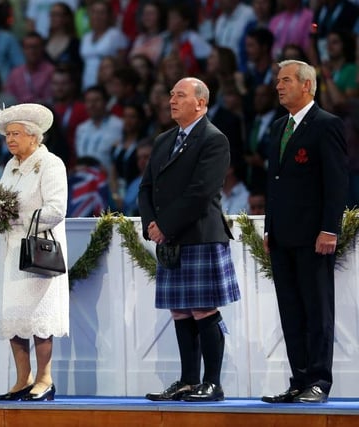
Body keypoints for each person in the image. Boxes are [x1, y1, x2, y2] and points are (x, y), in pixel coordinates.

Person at [139, 77, 240, 402]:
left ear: (201, 102)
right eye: (171, 95)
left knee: (202, 309)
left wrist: (164, 226)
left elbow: (201, 192)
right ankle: (187, 380)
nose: (172, 100)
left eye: (180, 95)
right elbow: (146, 187)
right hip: (170, 237)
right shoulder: (164, 139)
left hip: (200, 236)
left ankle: (212, 383)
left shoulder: (214, 139)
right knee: (180, 311)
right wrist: (151, 223)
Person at [262, 60, 348, 404]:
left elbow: (337, 182)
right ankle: (298, 380)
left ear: (307, 86)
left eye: (285, 81)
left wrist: (330, 228)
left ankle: (319, 381)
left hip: (314, 236)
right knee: (291, 311)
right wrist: (269, 228)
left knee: (317, 310)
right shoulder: (278, 126)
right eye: (278, 81)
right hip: (282, 236)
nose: (278, 86)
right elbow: (274, 183)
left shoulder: (326, 125)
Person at [0, 103, 69, 401]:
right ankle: (22, 379)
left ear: (34, 137)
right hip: (10, 251)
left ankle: (45, 379)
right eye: (8, 135)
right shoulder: (10, 166)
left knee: (39, 317)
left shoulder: (51, 164)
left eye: (16, 134)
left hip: (37, 250)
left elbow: (56, 209)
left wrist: (17, 218)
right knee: (13, 316)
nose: (10, 140)